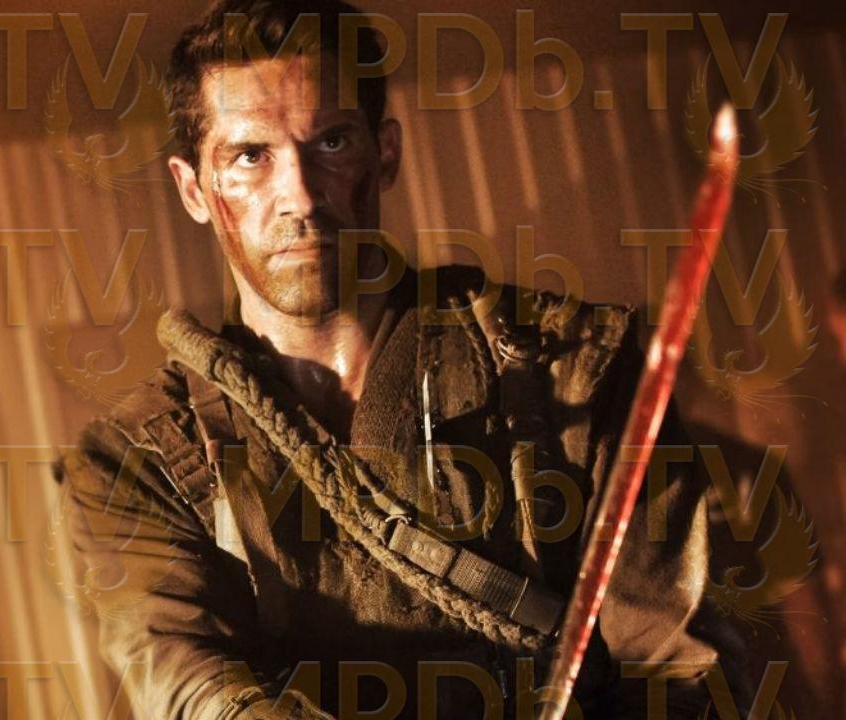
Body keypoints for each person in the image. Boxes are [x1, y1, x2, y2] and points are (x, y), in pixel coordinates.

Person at [55, 1, 745, 717]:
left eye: (331, 143)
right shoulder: (136, 462)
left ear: (385, 153)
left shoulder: (573, 367)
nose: (300, 196)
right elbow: (192, 687)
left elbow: (682, 673)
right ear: (194, 190)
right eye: (250, 156)